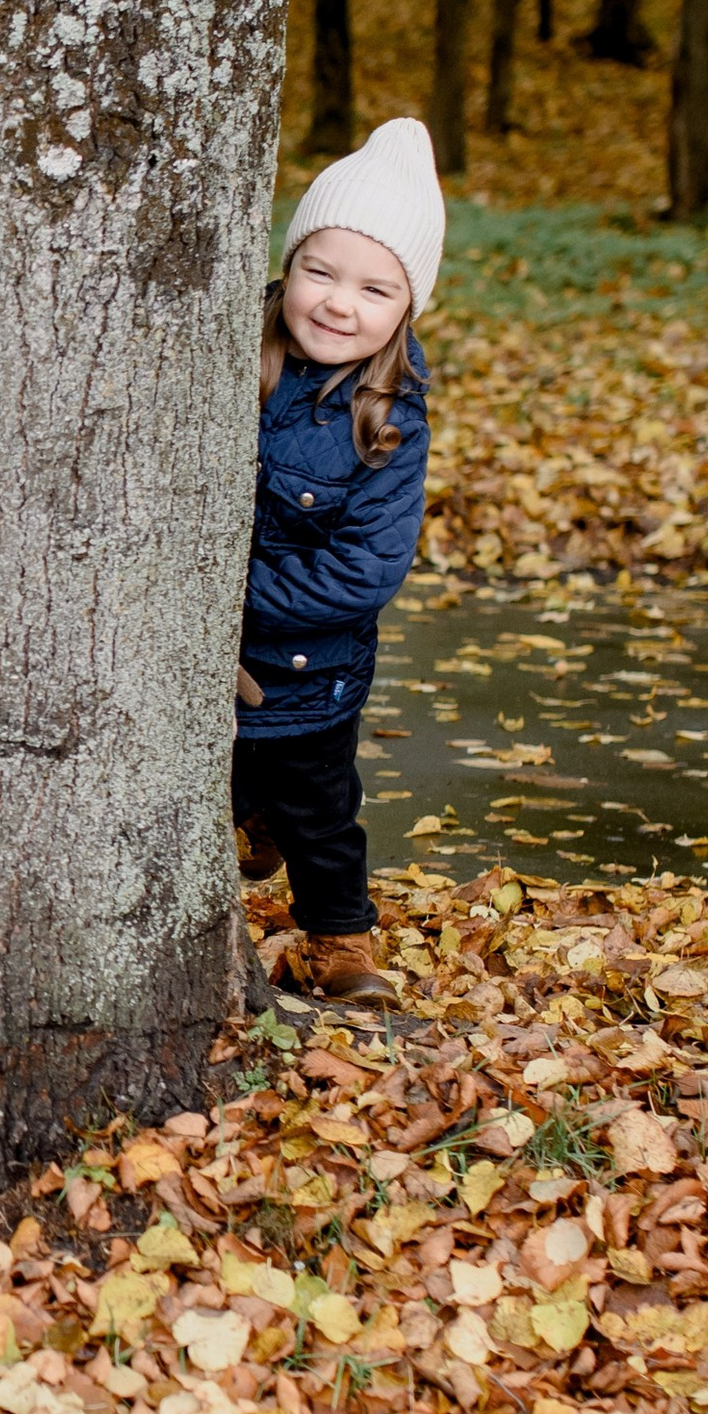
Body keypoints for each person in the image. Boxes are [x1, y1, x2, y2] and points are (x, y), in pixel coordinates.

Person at [232, 115, 444, 1002]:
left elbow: (366, 570)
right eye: (319, 272)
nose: (337, 303)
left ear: (406, 306)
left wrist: (226, 599)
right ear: (289, 269)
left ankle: (342, 945)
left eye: (374, 290)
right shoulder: (238, 354)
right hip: (202, 662)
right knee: (219, 774)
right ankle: (250, 821)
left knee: (320, 811)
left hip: (310, 672)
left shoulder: (389, 420)